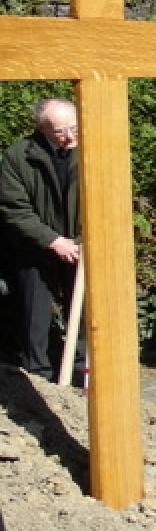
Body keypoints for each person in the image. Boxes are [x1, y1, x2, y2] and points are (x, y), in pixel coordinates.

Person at [0, 99, 82, 380]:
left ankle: (84, 377)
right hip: (35, 250)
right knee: (35, 319)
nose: (70, 137)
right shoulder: (18, 156)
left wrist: (82, 241)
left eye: (74, 127)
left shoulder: (93, 150)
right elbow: (14, 208)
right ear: (42, 129)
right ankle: (39, 379)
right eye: (60, 131)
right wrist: (52, 240)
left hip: (81, 250)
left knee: (83, 317)